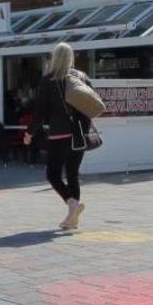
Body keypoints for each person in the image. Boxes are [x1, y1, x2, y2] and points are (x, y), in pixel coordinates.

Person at [26, 42, 100, 230]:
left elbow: (40, 112)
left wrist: (29, 133)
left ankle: (72, 204)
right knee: (73, 174)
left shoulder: (48, 80)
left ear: (54, 58)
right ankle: (72, 218)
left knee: (52, 174)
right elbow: (91, 103)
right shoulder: (82, 77)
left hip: (59, 135)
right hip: (80, 135)